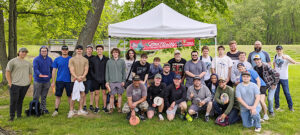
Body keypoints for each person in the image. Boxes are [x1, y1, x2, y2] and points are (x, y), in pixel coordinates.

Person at [6, 48, 32, 121]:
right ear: (19, 52)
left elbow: (30, 73)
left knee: (20, 100)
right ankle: (12, 117)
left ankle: (19, 115)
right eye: (22, 52)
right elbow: (7, 72)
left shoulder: (28, 63)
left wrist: (29, 82)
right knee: (13, 101)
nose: (24, 53)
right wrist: (10, 83)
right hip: (15, 84)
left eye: (25, 52)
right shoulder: (12, 61)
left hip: (25, 85)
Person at [273, 45, 299, 111]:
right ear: (276, 50)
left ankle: (291, 107)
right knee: (276, 92)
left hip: (284, 78)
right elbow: (274, 64)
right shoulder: (275, 56)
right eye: (278, 49)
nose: (279, 51)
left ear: (282, 50)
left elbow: (294, 62)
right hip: (277, 78)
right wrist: (274, 71)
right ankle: (277, 106)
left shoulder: (286, 56)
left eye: (280, 49)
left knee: (286, 92)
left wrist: (286, 58)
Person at [253, 55, 280, 119]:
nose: (257, 61)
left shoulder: (266, 66)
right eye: (255, 60)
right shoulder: (255, 68)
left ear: (261, 60)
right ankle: (263, 110)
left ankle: (271, 111)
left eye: (258, 60)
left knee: (270, 99)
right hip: (263, 85)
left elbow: (276, 74)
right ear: (254, 61)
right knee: (262, 99)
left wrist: (275, 83)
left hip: (271, 84)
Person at [68, 45, 89, 118]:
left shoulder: (85, 60)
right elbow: (71, 69)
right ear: (76, 50)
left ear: (82, 50)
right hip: (74, 80)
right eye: (78, 49)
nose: (79, 50)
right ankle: (71, 110)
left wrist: (82, 76)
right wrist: (76, 77)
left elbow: (86, 69)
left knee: (82, 94)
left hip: (83, 79)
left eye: (80, 49)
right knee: (73, 95)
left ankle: (80, 109)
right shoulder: (72, 59)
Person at [51, 45, 72, 117]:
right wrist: (53, 81)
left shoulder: (71, 59)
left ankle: (71, 110)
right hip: (59, 80)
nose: (65, 51)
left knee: (70, 96)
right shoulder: (57, 59)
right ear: (61, 51)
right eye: (63, 50)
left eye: (66, 50)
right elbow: (54, 71)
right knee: (58, 96)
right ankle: (56, 110)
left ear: (68, 51)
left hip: (69, 81)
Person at [33, 46, 53, 114]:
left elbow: (51, 69)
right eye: (42, 51)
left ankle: (43, 109)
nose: (44, 52)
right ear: (40, 52)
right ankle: (35, 109)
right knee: (36, 96)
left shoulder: (50, 59)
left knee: (44, 96)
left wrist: (49, 76)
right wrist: (40, 75)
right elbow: (35, 69)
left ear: (47, 52)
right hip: (38, 80)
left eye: (45, 51)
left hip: (47, 81)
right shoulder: (36, 59)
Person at [105, 48, 126, 113]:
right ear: (112, 53)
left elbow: (124, 72)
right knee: (111, 95)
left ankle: (119, 107)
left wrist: (123, 80)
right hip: (112, 81)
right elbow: (107, 72)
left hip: (120, 81)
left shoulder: (122, 61)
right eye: (114, 52)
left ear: (118, 53)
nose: (115, 53)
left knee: (119, 95)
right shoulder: (109, 61)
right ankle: (111, 108)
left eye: (116, 52)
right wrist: (107, 81)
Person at [90, 45, 109, 113]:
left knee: (104, 93)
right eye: (98, 49)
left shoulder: (107, 59)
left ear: (103, 50)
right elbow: (91, 70)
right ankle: (97, 107)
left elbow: (108, 69)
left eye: (100, 49)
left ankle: (104, 107)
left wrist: (107, 78)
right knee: (96, 93)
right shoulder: (93, 59)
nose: (99, 50)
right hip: (96, 79)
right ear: (96, 50)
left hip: (104, 79)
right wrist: (94, 77)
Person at [83, 45, 95, 111]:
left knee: (92, 92)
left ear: (92, 50)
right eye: (88, 49)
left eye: (90, 49)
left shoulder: (94, 58)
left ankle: (91, 105)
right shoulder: (83, 58)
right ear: (86, 50)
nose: (89, 50)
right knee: (85, 92)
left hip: (92, 77)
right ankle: (84, 105)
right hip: (85, 77)